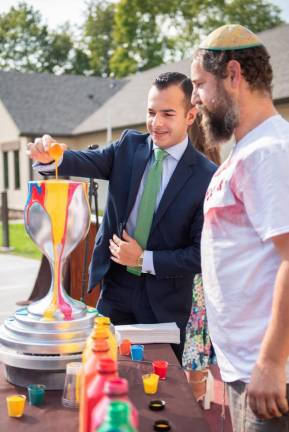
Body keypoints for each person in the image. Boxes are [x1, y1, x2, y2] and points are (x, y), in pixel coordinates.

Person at [27, 72, 217, 361]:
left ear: (190, 115)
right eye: (151, 112)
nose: (157, 123)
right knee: (106, 369)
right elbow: (85, 160)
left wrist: (143, 259)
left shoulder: (207, 176)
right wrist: (52, 158)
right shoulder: (129, 147)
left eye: (168, 113)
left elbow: (199, 255)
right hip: (115, 289)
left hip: (165, 302)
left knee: (161, 391)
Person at [190, 24, 289, 430]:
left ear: (233, 75)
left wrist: (271, 360)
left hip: (267, 376)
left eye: (199, 84)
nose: (195, 98)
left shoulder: (270, 152)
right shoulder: (245, 151)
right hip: (244, 369)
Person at [182, 119, 219, 402]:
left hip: (189, 270)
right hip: (207, 270)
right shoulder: (217, 171)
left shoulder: (192, 174)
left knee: (193, 332)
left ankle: (193, 399)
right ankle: (198, 395)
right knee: (198, 335)